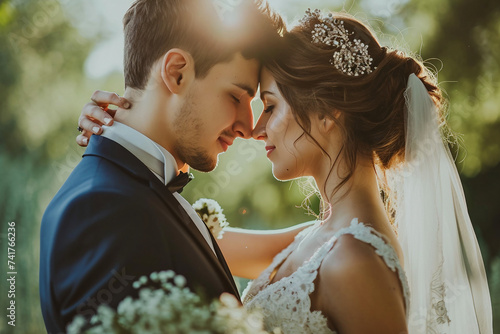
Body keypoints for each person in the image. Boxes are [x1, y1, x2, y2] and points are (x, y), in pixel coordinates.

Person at [77, 8, 493, 334]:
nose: (255, 129)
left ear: (329, 110)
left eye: (271, 106)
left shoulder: (355, 260)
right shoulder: (320, 239)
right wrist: (124, 132)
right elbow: (180, 241)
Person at [39, 1, 295, 333]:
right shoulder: (102, 209)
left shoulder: (140, 193)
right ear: (176, 72)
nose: (247, 127)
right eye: (236, 97)